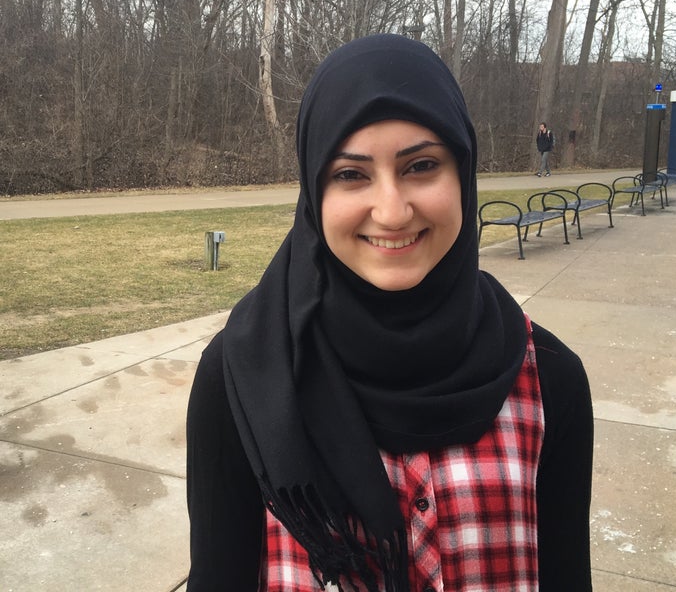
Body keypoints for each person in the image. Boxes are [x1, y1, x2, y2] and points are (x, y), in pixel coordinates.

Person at [186, 34, 593, 592]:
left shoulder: (549, 377)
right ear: (313, 192)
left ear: (463, 174)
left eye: (421, 165)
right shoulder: (242, 374)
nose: (392, 210)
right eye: (351, 174)